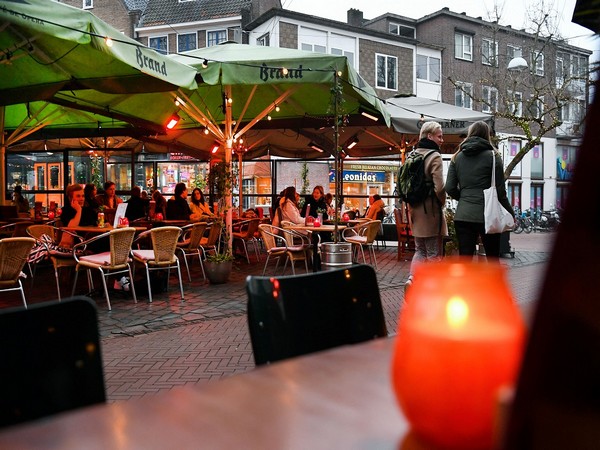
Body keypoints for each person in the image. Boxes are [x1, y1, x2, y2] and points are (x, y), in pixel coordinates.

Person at [445, 120, 514, 259]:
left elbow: (449, 187)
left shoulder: (457, 157)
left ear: (470, 133)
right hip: (488, 215)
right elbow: (500, 192)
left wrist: (464, 198)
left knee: (465, 260)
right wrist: (510, 212)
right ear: (487, 135)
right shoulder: (494, 157)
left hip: (463, 215)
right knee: (493, 258)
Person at [406, 121, 448, 289]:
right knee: (433, 253)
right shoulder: (434, 156)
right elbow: (439, 187)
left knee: (419, 250)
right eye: (440, 136)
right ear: (429, 136)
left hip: (415, 210)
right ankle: (433, 287)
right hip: (430, 211)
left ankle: (411, 279)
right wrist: (442, 203)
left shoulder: (412, 155)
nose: (442, 140)